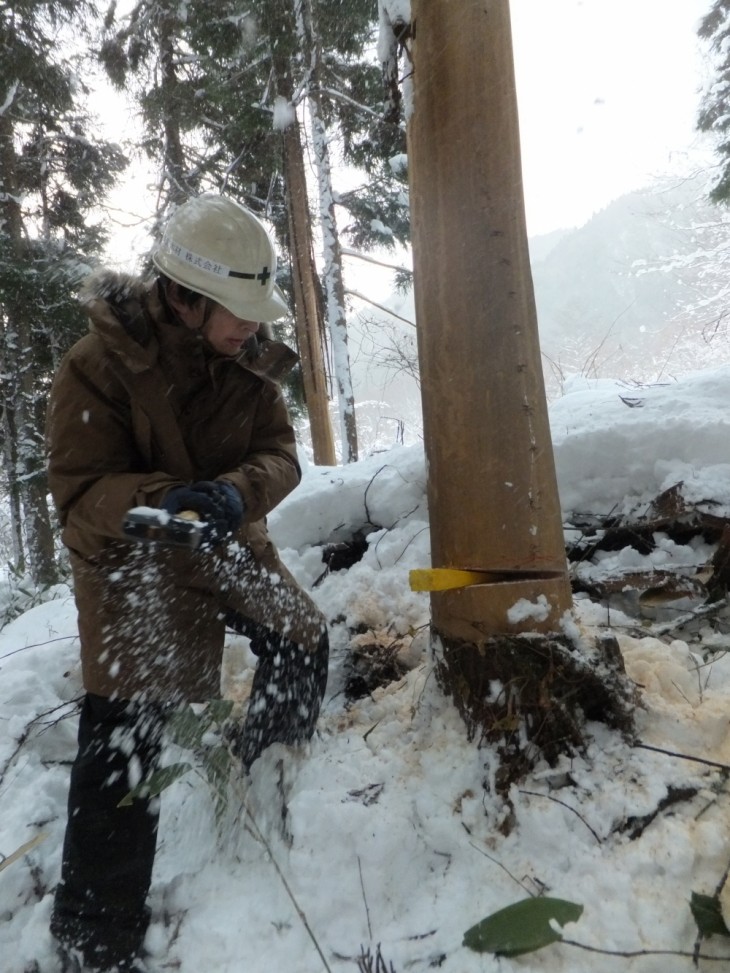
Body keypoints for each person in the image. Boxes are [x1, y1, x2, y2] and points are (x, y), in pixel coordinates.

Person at [46, 194, 329, 973]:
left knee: (302, 637)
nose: (250, 327)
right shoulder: (95, 368)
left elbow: (280, 451)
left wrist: (239, 491)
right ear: (182, 295)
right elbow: (77, 495)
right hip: (131, 559)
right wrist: (159, 500)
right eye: (236, 310)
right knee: (125, 736)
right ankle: (94, 936)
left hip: (224, 539)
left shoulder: (249, 364)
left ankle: (267, 785)